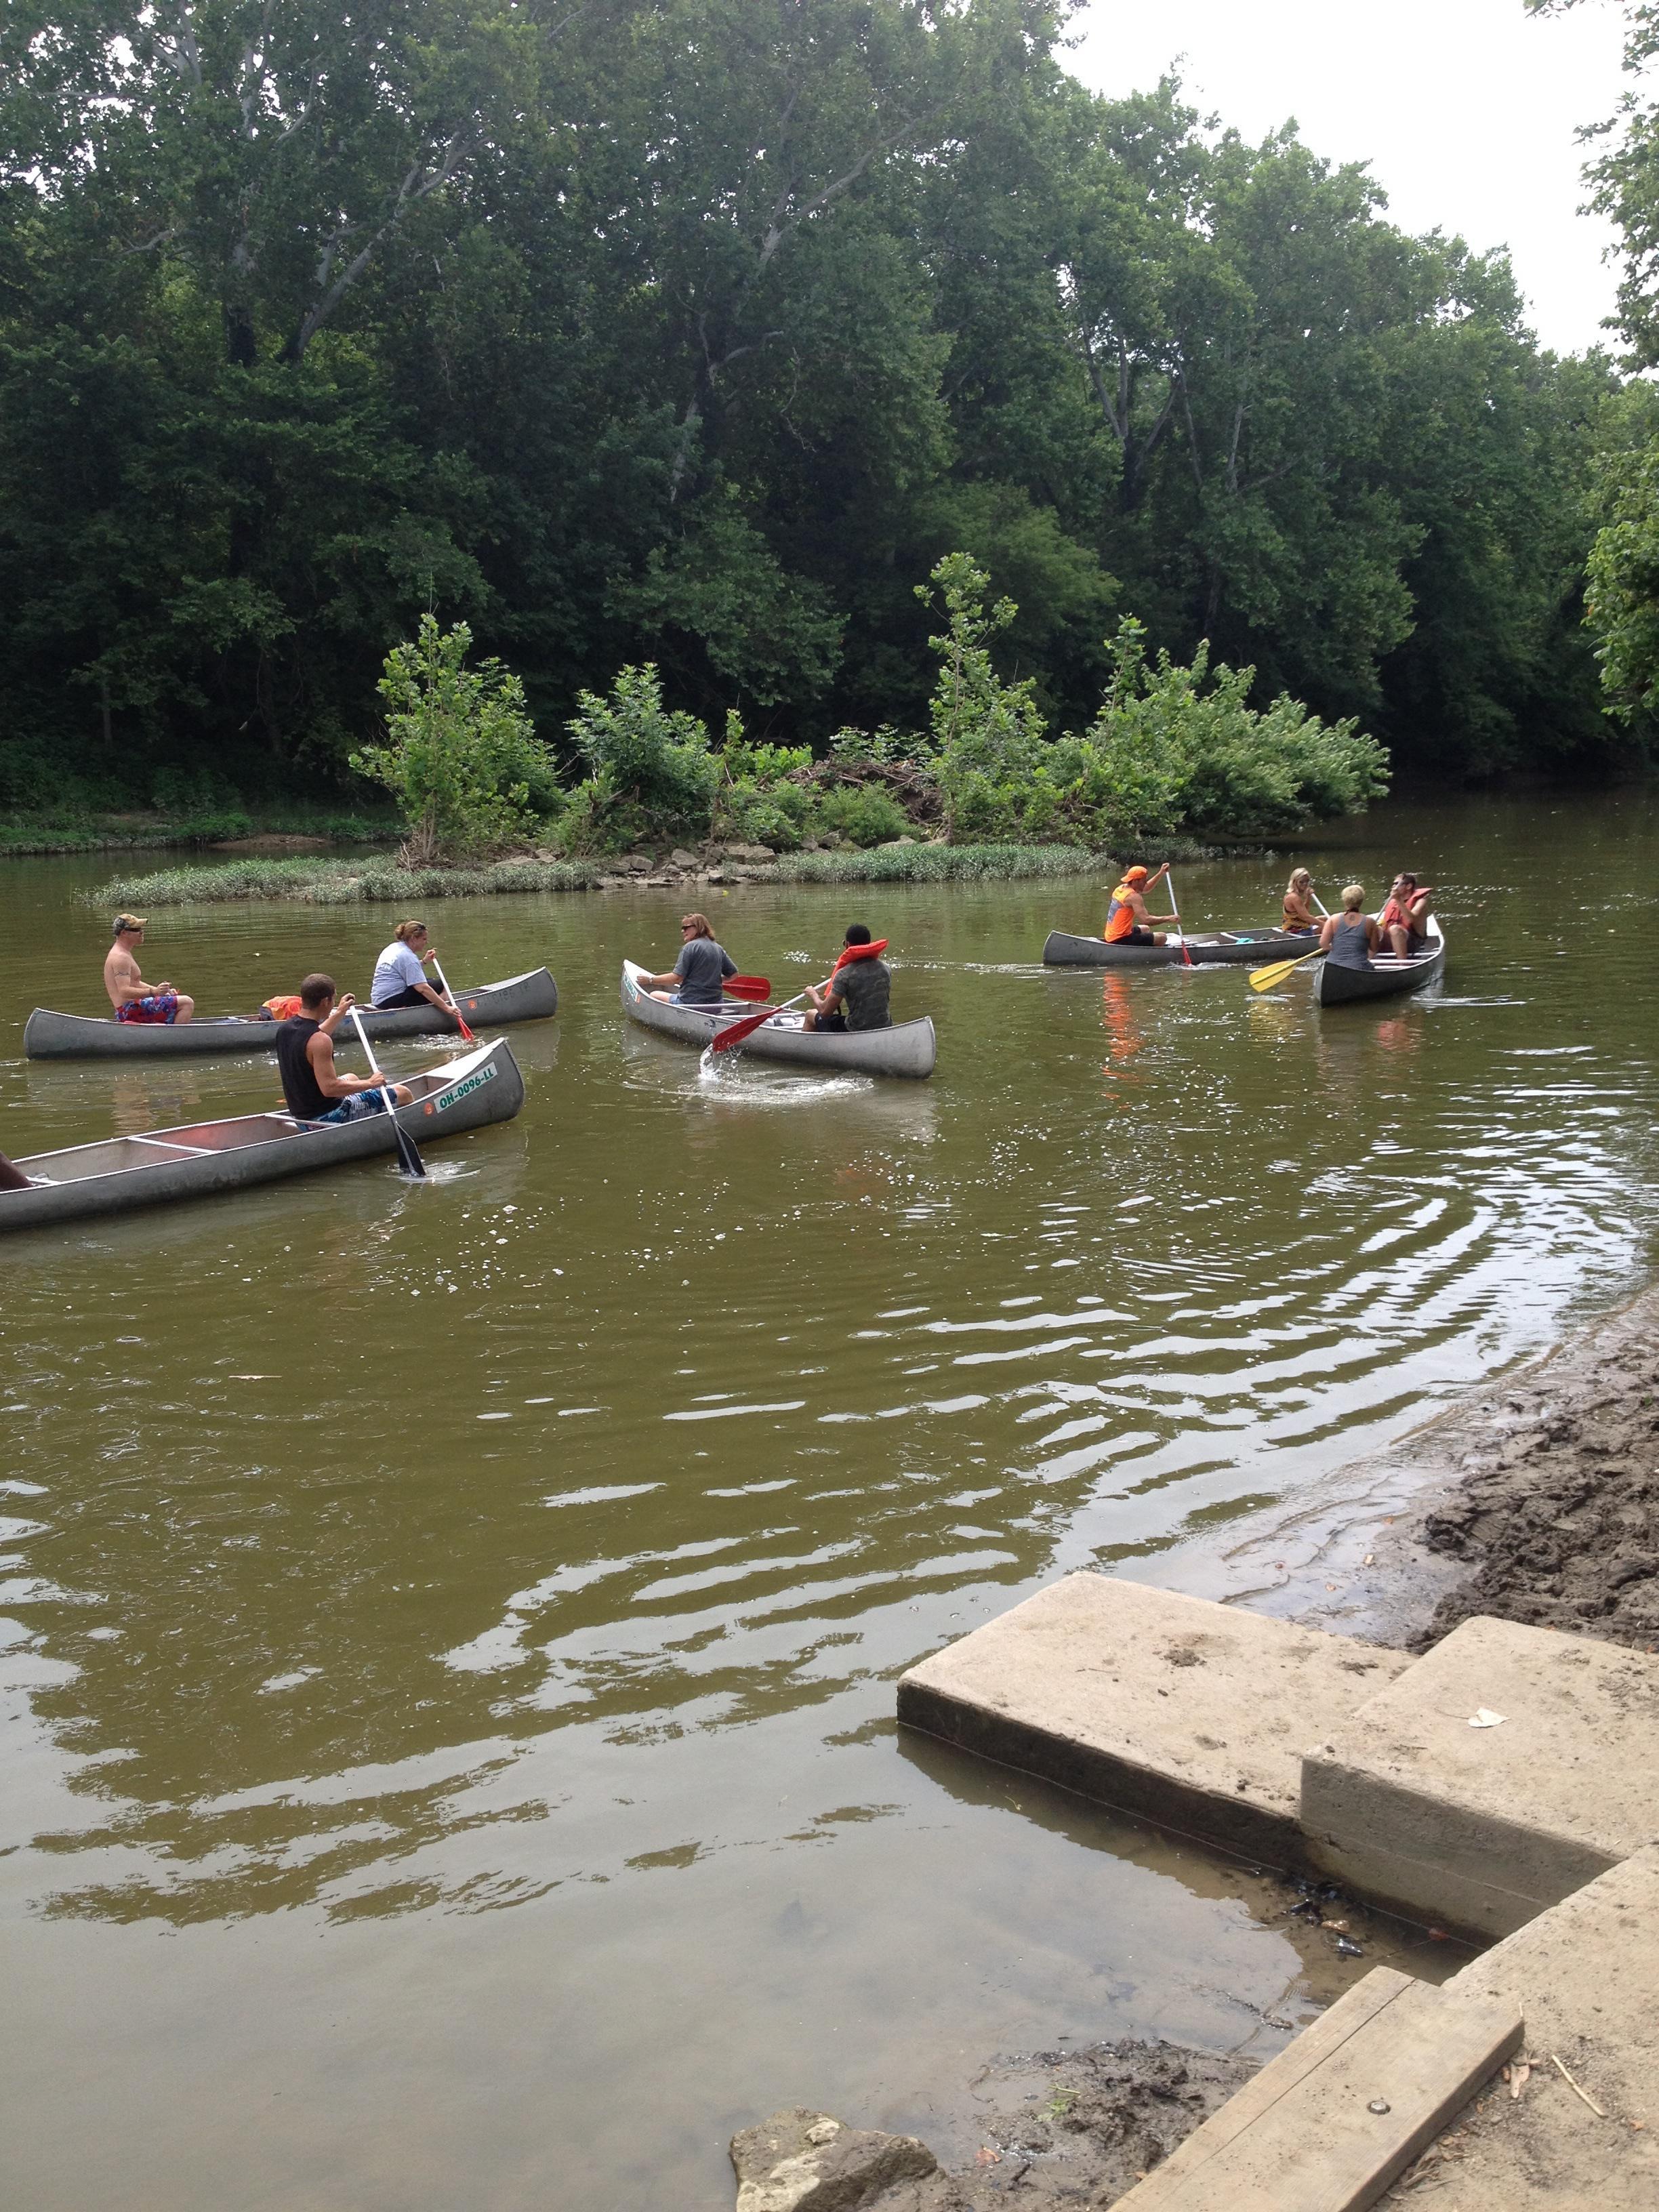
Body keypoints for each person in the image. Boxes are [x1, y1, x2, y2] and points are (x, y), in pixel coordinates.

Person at [275, 974, 413, 1125]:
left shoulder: (286, 1029)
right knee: (403, 1093)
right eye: (333, 999)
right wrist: (371, 1083)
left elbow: (313, 1038)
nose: (333, 1003)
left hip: (302, 1112)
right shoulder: (321, 1041)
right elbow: (330, 1089)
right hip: (327, 1116)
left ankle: (369, 1112)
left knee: (352, 1077)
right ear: (325, 1001)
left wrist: (340, 1012)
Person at [103, 915, 195, 1025]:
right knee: (186, 1002)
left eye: (141, 929)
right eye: (137, 930)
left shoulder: (123, 953)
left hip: (131, 1009)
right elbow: (124, 991)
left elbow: (134, 983)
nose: (142, 932)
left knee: (176, 1002)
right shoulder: (120, 957)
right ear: (124, 933)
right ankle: (175, 1039)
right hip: (129, 1011)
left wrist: (162, 992)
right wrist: (154, 992)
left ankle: (163, 1030)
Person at [803, 924, 892, 1033]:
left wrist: (813, 994)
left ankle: (806, 1049)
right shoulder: (885, 969)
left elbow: (824, 1012)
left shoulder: (844, 975)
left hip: (855, 1028)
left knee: (809, 1015)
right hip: (885, 1026)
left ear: (847, 945)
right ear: (868, 944)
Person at [642, 913, 737, 1006]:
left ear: (698, 927)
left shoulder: (689, 947)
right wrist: (712, 980)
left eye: (686, 927)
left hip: (691, 1003)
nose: (683, 931)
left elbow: (676, 978)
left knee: (654, 994)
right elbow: (733, 975)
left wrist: (650, 980)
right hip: (717, 1005)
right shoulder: (718, 948)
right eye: (682, 928)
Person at [370, 920, 456, 1012]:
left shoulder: (393, 947)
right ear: (414, 938)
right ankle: (440, 1010)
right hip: (392, 1001)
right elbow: (422, 988)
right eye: (424, 939)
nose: (426, 942)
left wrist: (424, 961)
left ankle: (433, 1005)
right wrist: (447, 1008)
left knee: (430, 981)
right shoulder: (409, 956)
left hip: (378, 1000)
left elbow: (404, 969)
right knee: (441, 985)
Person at [1103, 864, 1177, 947]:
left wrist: (1161, 873)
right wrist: (1169, 918)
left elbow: (1146, 888)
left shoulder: (1121, 889)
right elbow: (1146, 920)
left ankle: (1145, 945)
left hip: (1110, 935)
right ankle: (1147, 955)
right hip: (1120, 939)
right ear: (1135, 881)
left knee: (1145, 929)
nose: (1146, 883)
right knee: (1162, 937)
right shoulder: (1133, 897)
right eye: (1144, 881)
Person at [1319, 884, 1381, 971]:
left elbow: (1324, 944)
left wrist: (1337, 949)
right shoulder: (1370, 922)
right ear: (1361, 900)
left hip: (1333, 966)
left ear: (1344, 900)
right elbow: (1375, 948)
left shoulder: (1333, 919)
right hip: (1359, 967)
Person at [1378, 872, 1434, 957]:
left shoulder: (1420, 902)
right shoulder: (1393, 902)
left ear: (1408, 886)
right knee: (1373, 928)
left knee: (1395, 929)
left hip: (1413, 943)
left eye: (1397, 884)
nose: (1393, 887)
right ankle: (1366, 962)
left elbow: (1411, 919)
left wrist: (1398, 899)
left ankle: (1402, 964)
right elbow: (1384, 924)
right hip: (1392, 941)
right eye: (1393, 884)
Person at [1282, 869, 1321, 935]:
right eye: (1301, 882)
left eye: (1307, 881)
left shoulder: (1291, 895)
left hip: (1295, 928)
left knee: (1325, 918)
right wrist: (1326, 925)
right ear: (1295, 882)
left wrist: (1308, 897)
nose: (1305, 884)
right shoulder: (1294, 897)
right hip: (1299, 931)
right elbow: (1307, 917)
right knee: (1327, 925)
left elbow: (1304, 912)